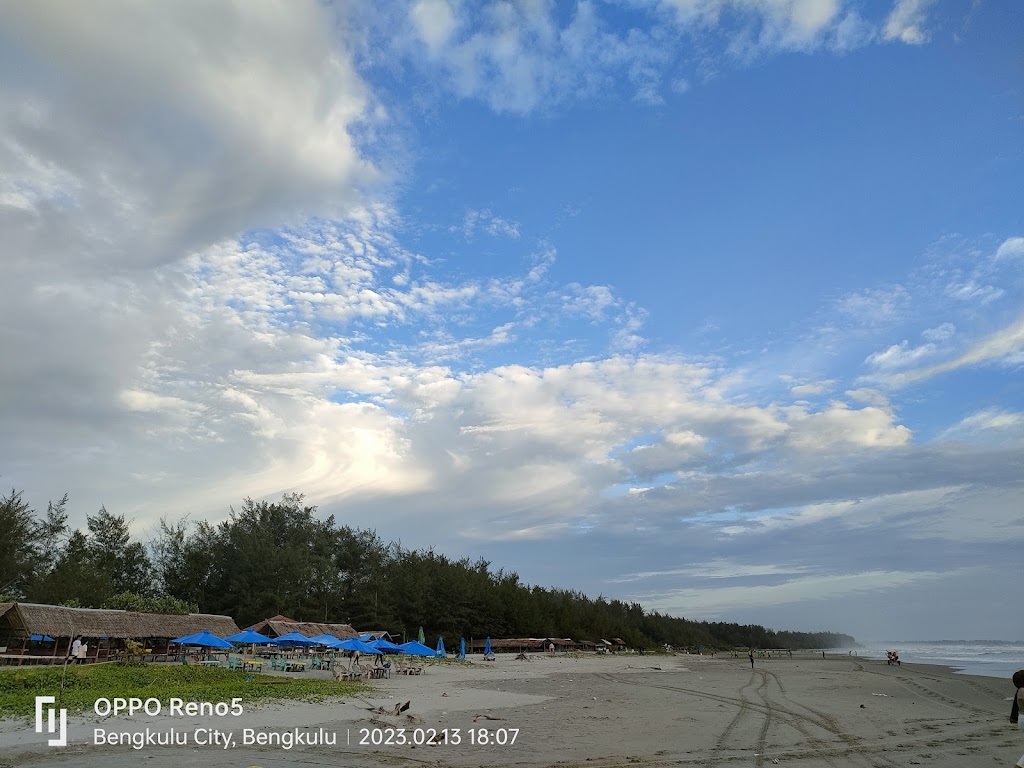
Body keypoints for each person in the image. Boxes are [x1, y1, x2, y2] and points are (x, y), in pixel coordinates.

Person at [1011, 669, 1024, 768]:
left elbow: (1015, 706)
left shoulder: (1020, 690)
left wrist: (1013, 718)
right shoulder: (1023, 691)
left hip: (1021, 718)